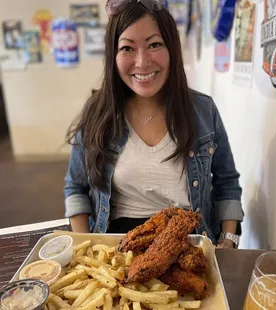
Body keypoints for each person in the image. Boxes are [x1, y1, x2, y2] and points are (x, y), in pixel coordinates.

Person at [64, 0, 244, 249]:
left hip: (188, 242)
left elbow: (227, 183)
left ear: (172, 48)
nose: (142, 62)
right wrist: (84, 248)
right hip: (117, 247)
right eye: (127, 48)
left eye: (154, 44)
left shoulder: (203, 110)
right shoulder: (97, 113)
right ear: (113, 55)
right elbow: (76, 187)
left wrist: (228, 240)